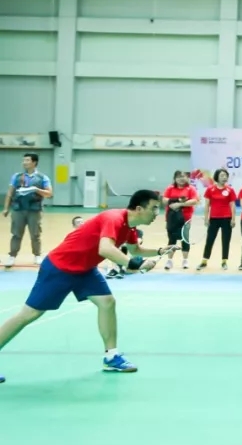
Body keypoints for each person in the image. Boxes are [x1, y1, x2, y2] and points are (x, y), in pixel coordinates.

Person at [0, 190, 168, 383]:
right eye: (154, 208)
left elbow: (136, 249)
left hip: (85, 269)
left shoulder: (129, 228)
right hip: (60, 267)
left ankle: (111, 357)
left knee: (107, 302)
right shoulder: (114, 218)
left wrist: (161, 250)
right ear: (139, 208)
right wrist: (134, 264)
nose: (157, 213)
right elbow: (105, 249)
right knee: (28, 315)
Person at [3, 152, 53, 268]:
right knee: (16, 234)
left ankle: (37, 255)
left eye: (27, 160)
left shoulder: (42, 178)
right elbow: (10, 193)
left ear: (34, 162)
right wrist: (6, 208)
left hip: (34, 210)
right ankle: (12, 256)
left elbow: (49, 193)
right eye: (24, 160)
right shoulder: (17, 176)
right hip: (18, 210)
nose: (24, 163)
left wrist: (36, 189)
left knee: (35, 234)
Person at [197, 168, 237, 271]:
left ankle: (224, 261)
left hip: (227, 219)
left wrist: (233, 219)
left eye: (226, 175)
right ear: (217, 177)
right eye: (222, 175)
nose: (224, 177)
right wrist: (206, 218)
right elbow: (207, 205)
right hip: (213, 219)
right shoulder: (210, 189)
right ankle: (204, 261)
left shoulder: (230, 190)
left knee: (226, 241)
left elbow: (232, 205)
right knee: (210, 240)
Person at [162, 169, 199, 270]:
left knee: (185, 239)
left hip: (185, 218)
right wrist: (176, 200)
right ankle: (169, 261)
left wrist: (179, 204)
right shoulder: (170, 188)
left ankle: (185, 260)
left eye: (183, 176)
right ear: (175, 179)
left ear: (187, 178)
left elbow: (194, 201)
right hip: (171, 218)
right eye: (179, 177)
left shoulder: (190, 189)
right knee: (172, 239)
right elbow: (164, 200)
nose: (181, 179)